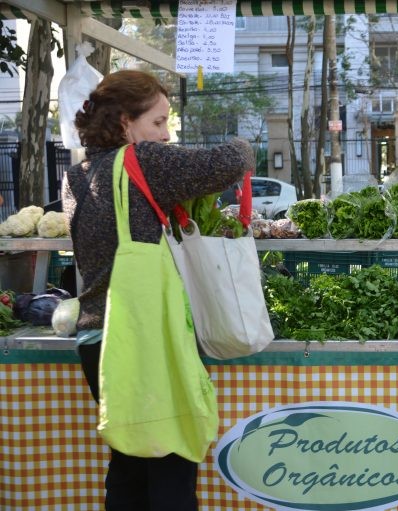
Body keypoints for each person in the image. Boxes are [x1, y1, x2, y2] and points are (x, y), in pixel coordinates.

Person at [61, 69, 255, 510]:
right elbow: (229, 161)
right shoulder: (144, 161)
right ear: (125, 123)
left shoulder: (75, 177)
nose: (166, 135)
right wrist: (245, 146)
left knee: (129, 463)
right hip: (145, 339)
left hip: (97, 339)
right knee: (171, 461)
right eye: (159, 122)